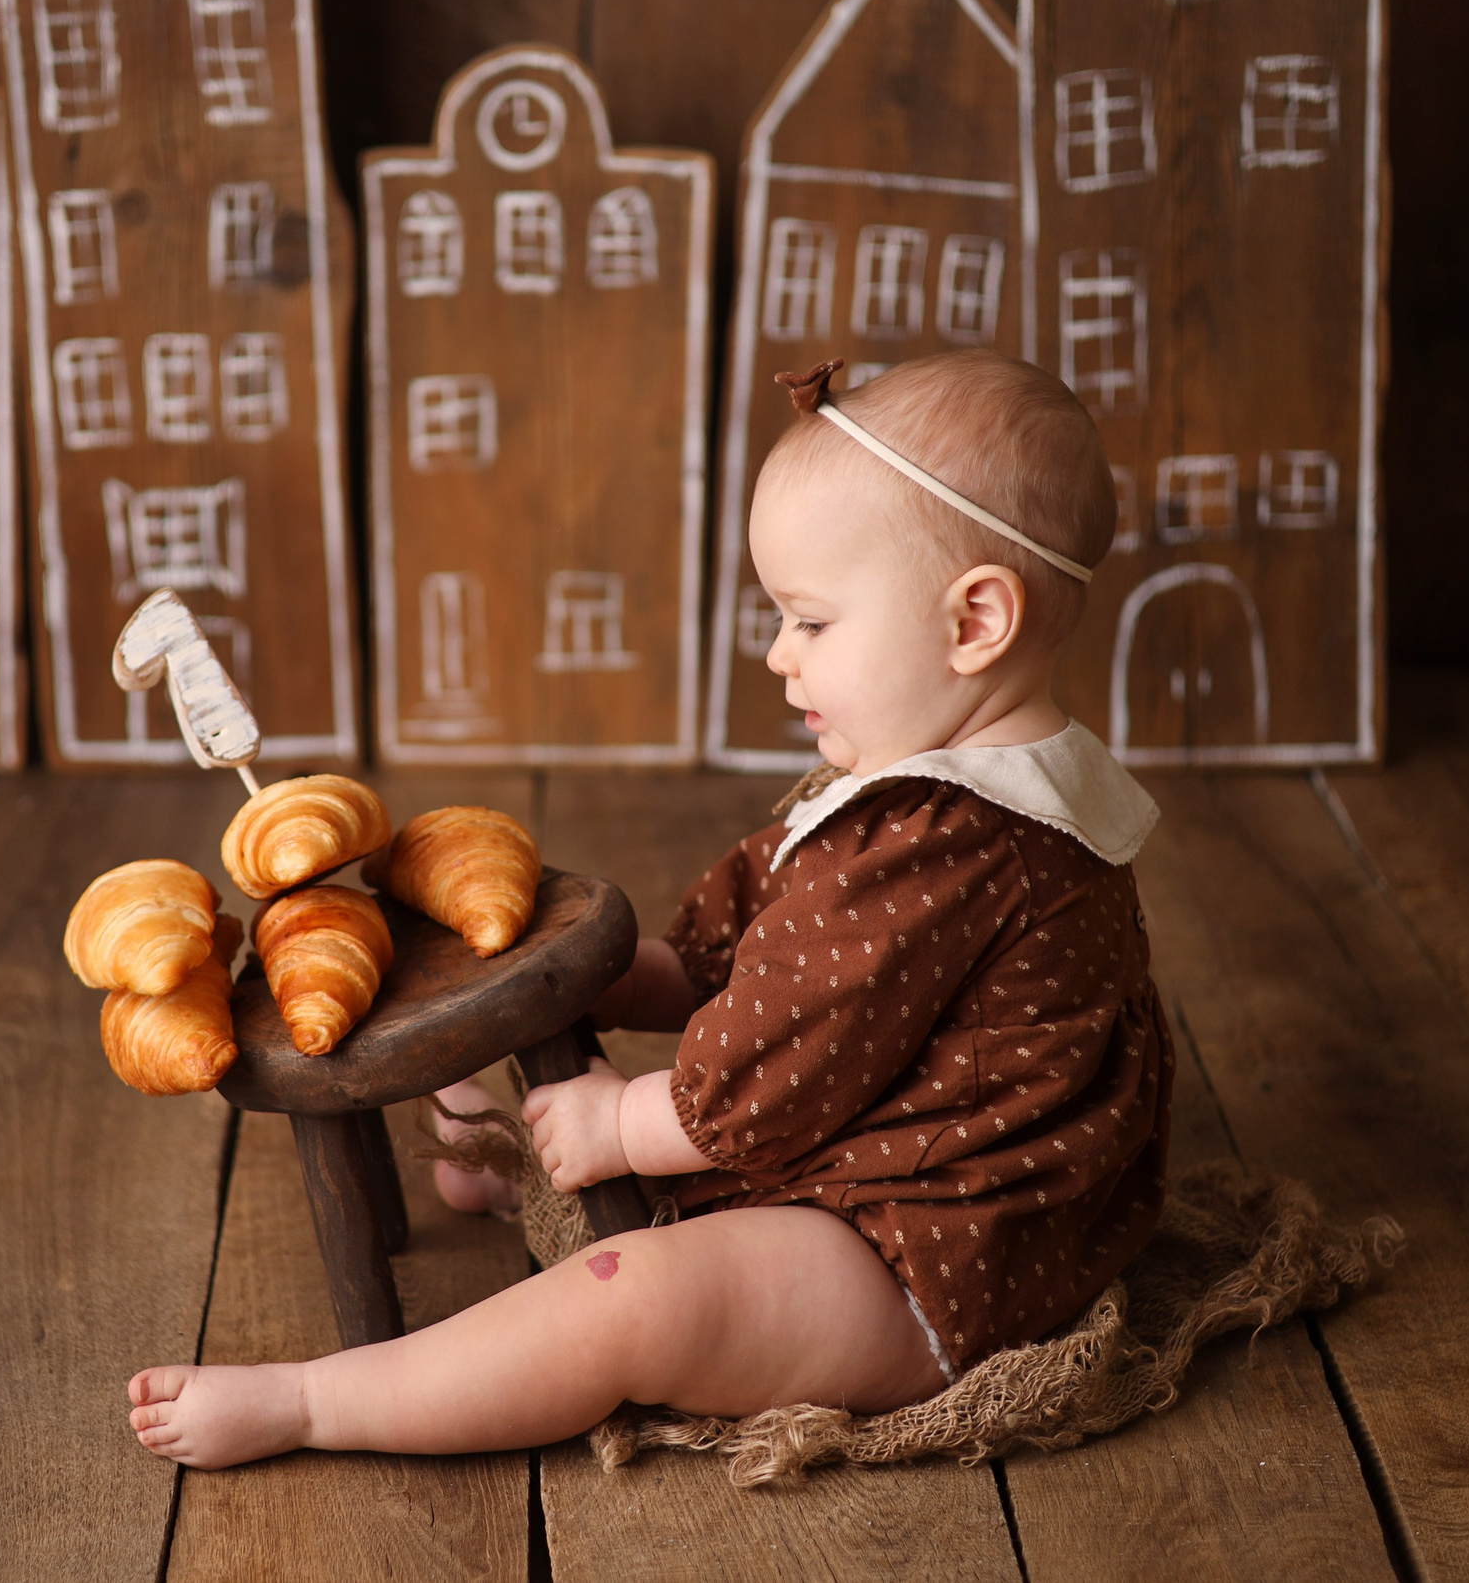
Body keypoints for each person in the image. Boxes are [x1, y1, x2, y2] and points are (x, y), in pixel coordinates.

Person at [127, 350, 1171, 1468]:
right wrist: (663, 974)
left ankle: (315, 1404)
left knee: (631, 1302)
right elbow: (793, 938)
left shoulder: (947, 842)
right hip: (925, 1161)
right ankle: (553, 1183)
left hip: (939, 1250)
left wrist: (625, 1125)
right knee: (620, 1174)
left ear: (974, 622)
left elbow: (795, 1055)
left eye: (811, 623)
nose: (779, 656)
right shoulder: (952, 782)